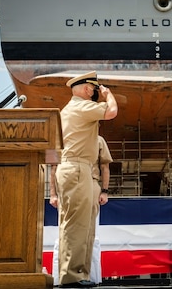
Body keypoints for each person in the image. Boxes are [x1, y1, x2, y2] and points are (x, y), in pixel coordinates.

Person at [51, 71, 117, 288]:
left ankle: (80, 274)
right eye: (93, 88)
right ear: (87, 88)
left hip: (82, 169)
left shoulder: (75, 108)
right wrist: (108, 94)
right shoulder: (80, 106)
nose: (94, 92)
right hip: (77, 167)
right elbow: (112, 112)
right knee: (76, 225)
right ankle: (71, 276)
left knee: (85, 226)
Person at [50, 135, 113, 285]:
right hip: (68, 184)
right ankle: (65, 275)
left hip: (91, 182)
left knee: (88, 231)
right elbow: (54, 167)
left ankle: (84, 275)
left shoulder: (98, 140)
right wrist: (53, 194)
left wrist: (104, 190)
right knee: (66, 229)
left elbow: (104, 166)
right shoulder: (62, 138)